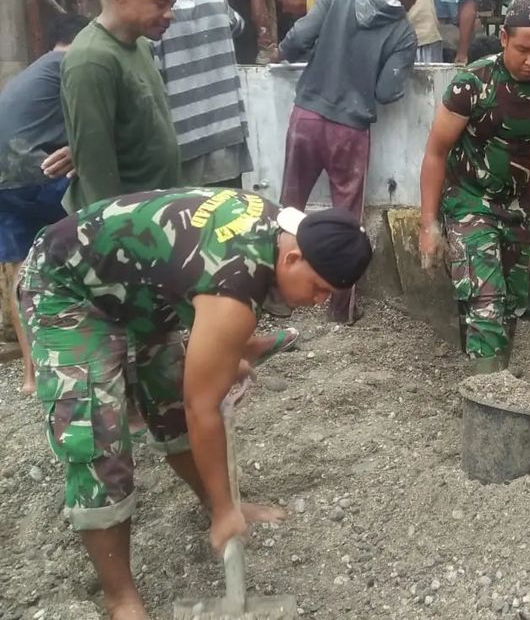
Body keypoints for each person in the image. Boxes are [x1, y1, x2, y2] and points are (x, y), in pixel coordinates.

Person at [17, 188, 372, 620]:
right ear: (293, 258)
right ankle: (121, 599)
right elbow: (201, 406)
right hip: (68, 287)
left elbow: (199, 285)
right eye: (318, 289)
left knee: (165, 399)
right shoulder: (235, 282)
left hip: (137, 291)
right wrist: (226, 514)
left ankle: (214, 498)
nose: (319, 303)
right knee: (98, 442)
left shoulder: (283, 228)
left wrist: (229, 352)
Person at [419, 0, 530, 373]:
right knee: (485, 300)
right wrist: (428, 223)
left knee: (512, 303)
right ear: (503, 37)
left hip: (516, 207)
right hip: (468, 200)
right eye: (523, 49)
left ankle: (496, 377)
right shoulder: (471, 84)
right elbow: (436, 153)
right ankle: (488, 401)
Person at [277, 0, 427, 322]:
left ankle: (275, 295)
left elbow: (296, 40)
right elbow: (387, 92)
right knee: (346, 220)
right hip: (349, 130)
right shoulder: (403, 32)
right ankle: (340, 311)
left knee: (288, 205)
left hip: (306, 116)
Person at [0, 13, 89, 393]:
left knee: (21, 266)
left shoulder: (33, 72)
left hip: (3, 181)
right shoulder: (70, 63)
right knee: (88, 246)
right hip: (34, 175)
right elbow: (93, 126)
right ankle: (89, 355)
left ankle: (31, 376)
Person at [123, 0, 253, 187]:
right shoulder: (214, 0)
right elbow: (238, 26)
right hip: (226, 142)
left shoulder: (148, 20)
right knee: (227, 222)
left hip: (180, 150)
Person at [61, 0, 181, 212]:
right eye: (160, 4)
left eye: (171, 5)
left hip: (155, 211)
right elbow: (95, 168)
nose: (169, 14)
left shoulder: (139, 45)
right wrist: (113, 239)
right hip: (126, 225)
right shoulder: (91, 60)